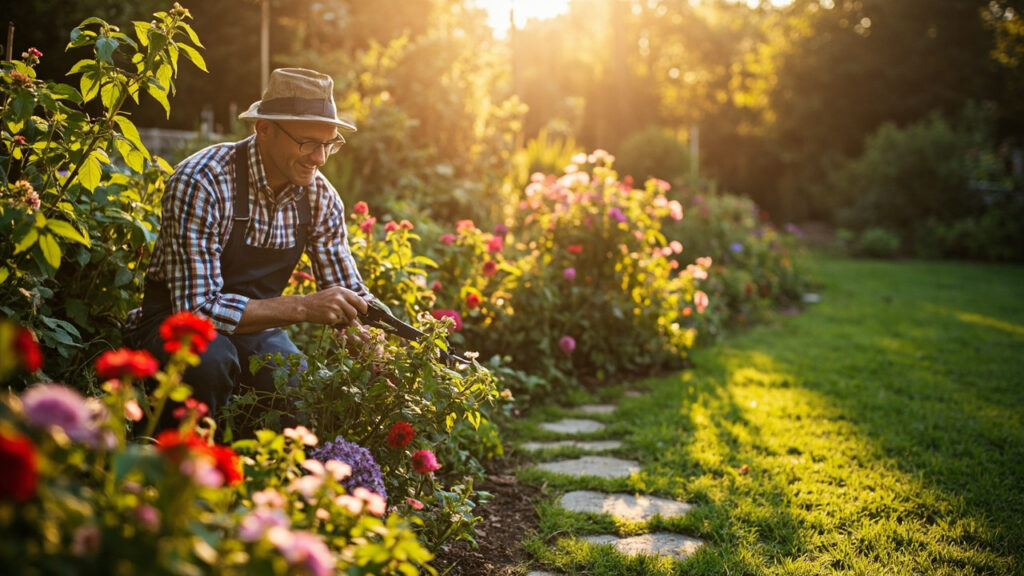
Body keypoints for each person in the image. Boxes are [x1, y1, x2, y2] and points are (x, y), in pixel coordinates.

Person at [126, 67, 373, 432]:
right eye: (308, 143)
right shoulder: (202, 180)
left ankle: (263, 478)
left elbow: (348, 289)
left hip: (257, 327)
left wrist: (375, 343)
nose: (319, 158)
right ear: (264, 129)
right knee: (208, 362)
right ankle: (172, 467)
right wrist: (304, 306)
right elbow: (197, 309)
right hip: (177, 324)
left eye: (329, 144)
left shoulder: (320, 195)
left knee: (292, 381)